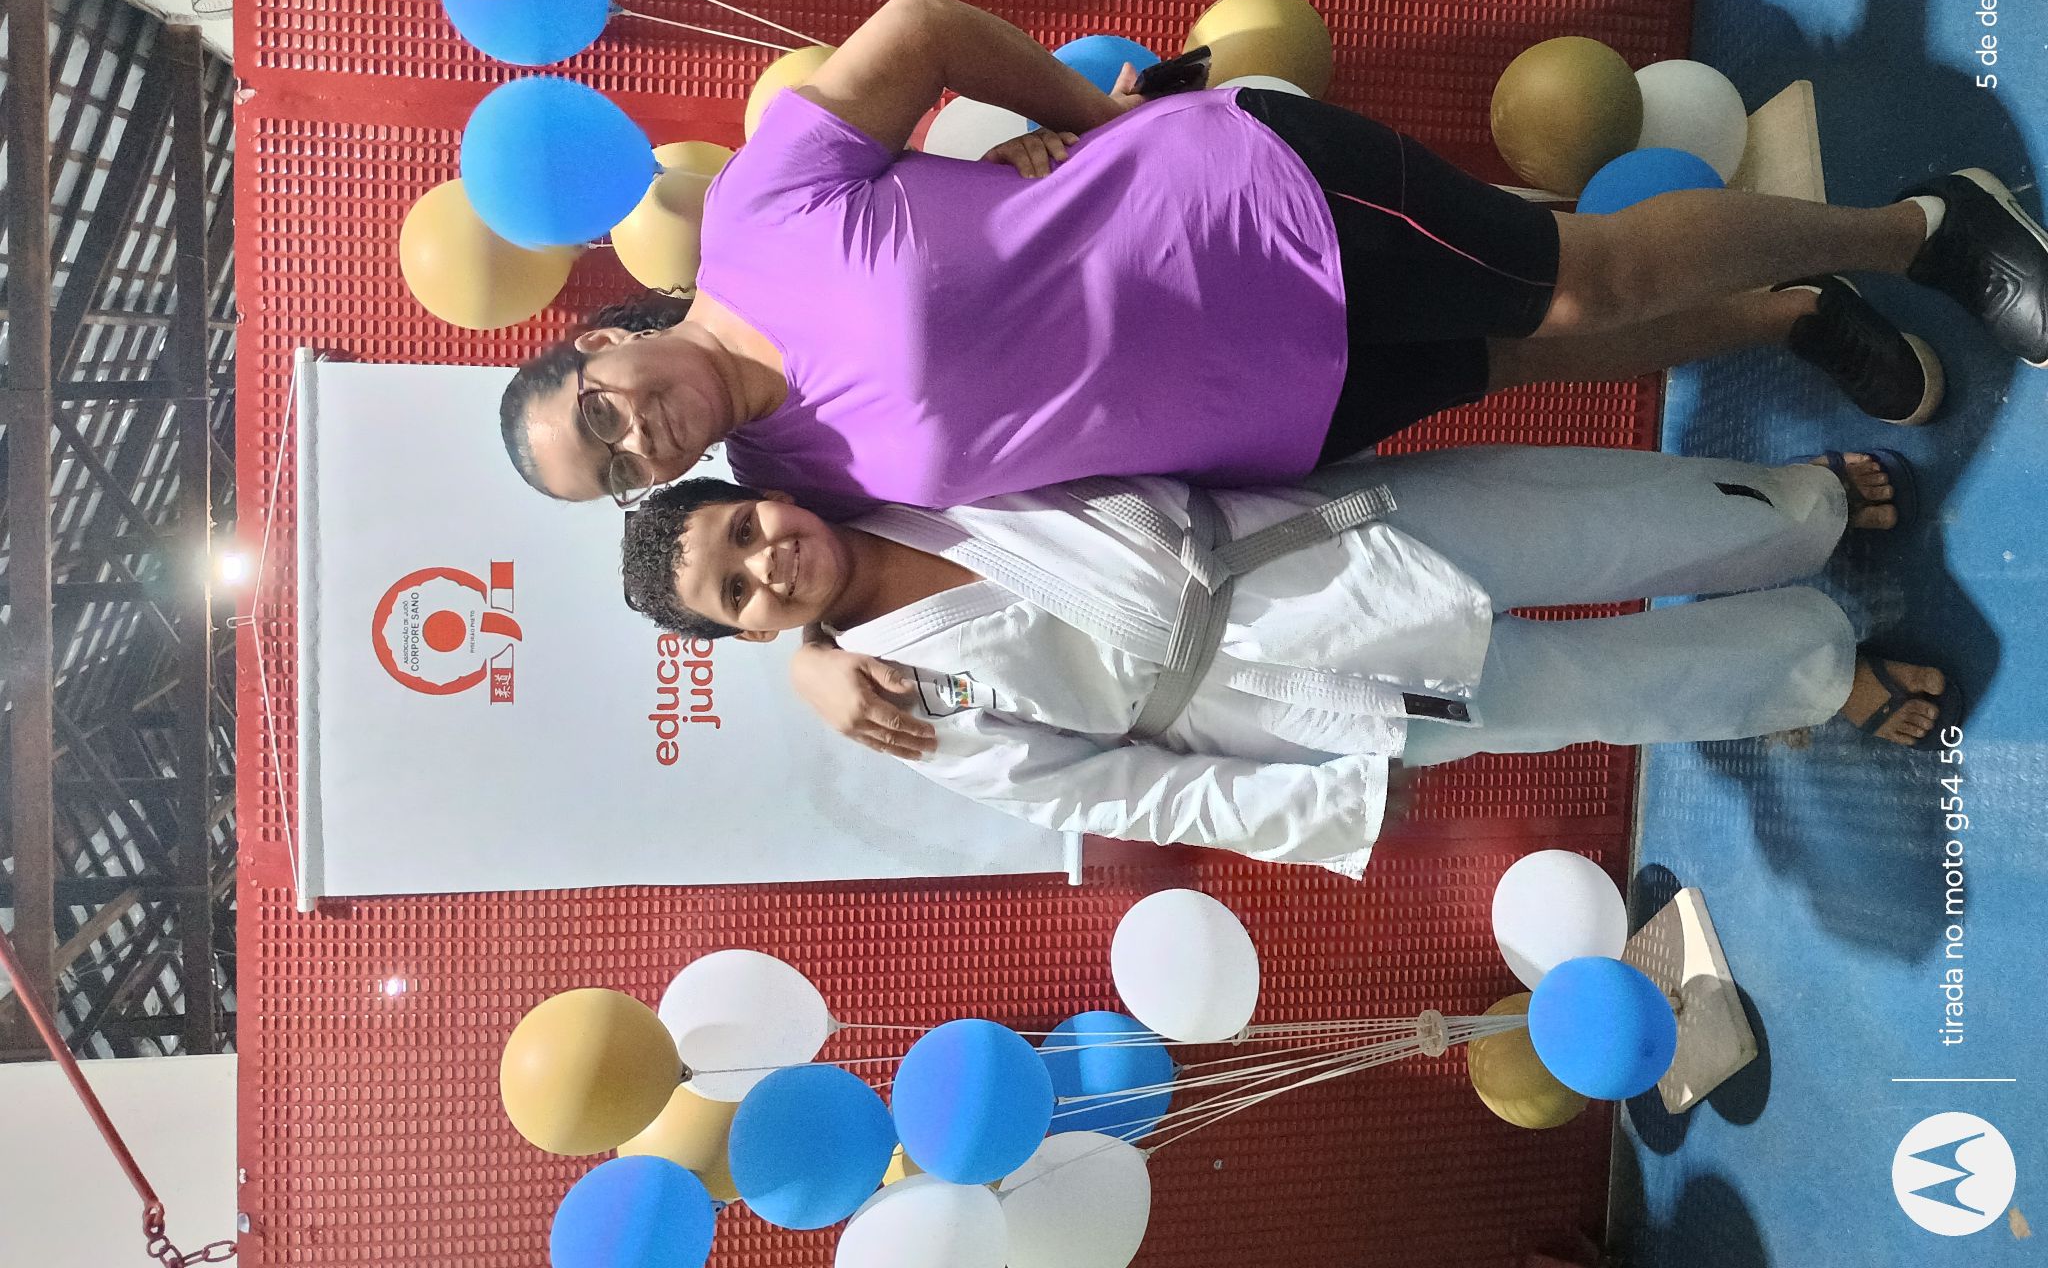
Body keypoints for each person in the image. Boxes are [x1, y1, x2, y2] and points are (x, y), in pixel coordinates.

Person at [501, 0, 2044, 755]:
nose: (637, 442)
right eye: (615, 472)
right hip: (1272, 414)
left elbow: (916, 30)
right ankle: (1786, 313)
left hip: (1244, 213)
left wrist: (1089, 120)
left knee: (1586, 279)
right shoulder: (791, 484)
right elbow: (815, 582)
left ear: (601, 342)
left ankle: (1924, 231)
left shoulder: (756, 213)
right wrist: (815, 666)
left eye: (598, 414)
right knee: (1538, 356)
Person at [614, 445, 1954, 877]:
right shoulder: (906, 707)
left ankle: (1801, 507)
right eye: (739, 595)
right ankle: (1812, 671)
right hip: (1293, 702)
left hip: (1295, 536)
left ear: (764, 490)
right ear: (747, 636)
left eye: (746, 531)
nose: (769, 564)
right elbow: (1117, 793)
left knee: (1587, 517)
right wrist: (1319, 805)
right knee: (1592, 696)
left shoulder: (893, 461)